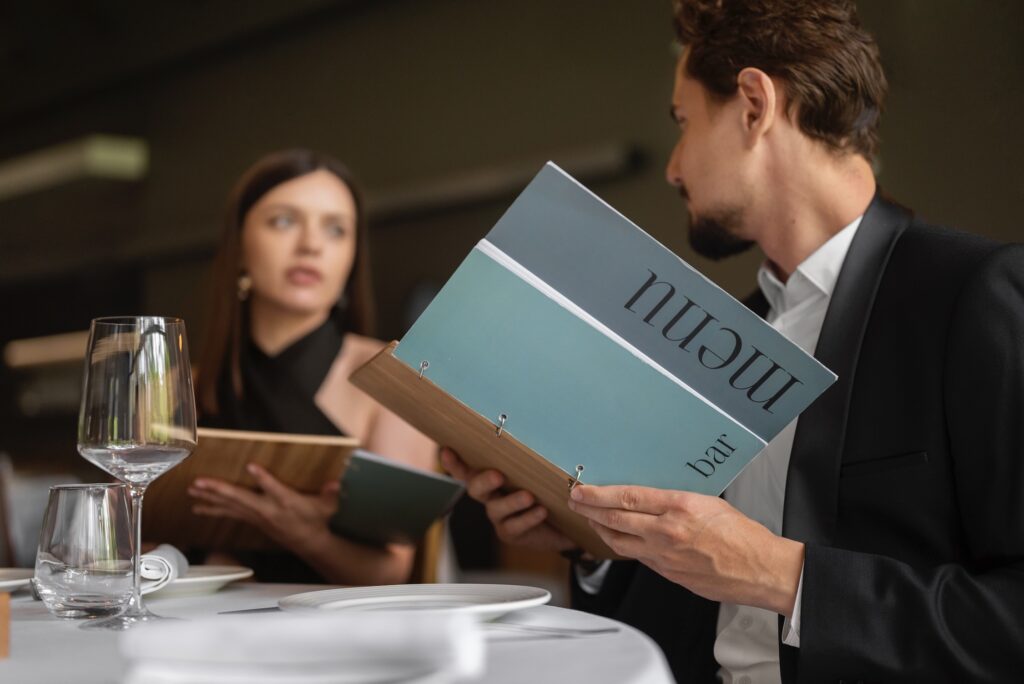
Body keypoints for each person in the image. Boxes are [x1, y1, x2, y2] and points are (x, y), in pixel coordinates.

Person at [441, 1, 1024, 681]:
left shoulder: (973, 293)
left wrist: (781, 574)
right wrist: (596, 547)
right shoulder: (721, 330)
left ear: (753, 104)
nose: (673, 167)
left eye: (683, 123)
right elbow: (704, 597)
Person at [190, 149, 436, 585]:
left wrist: (304, 535)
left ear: (352, 256)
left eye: (336, 230)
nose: (311, 245)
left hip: (340, 639)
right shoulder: (184, 385)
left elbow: (393, 572)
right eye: (284, 221)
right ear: (239, 247)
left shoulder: (394, 376)